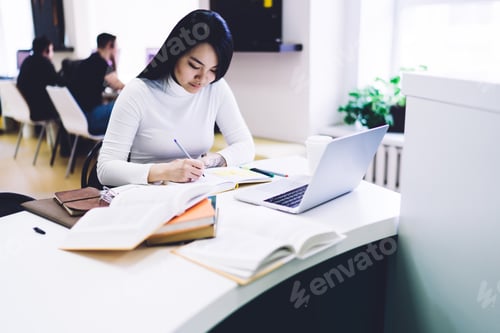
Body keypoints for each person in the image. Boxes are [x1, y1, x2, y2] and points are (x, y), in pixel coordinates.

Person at [97, 9, 255, 186]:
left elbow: (246, 146)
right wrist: (164, 171)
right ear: (175, 53)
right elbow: (105, 169)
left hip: (195, 195)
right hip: (145, 197)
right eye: (194, 65)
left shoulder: (215, 88)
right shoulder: (138, 92)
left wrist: (211, 161)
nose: (203, 79)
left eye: (213, 70)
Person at [69, 32, 125, 135]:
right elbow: (118, 85)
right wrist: (115, 59)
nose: (117, 50)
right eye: (116, 47)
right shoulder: (101, 63)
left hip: (79, 118)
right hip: (91, 118)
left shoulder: (87, 62)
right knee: (125, 105)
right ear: (110, 45)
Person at [17, 36, 64, 121]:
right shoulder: (45, 64)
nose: (52, 53)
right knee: (67, 109)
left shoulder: (26, 61)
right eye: (51, 50)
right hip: (43, 111)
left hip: (30, 109)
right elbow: (58, 82)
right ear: (46, 51)